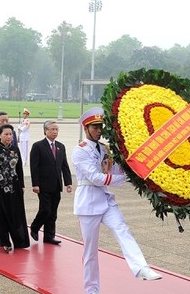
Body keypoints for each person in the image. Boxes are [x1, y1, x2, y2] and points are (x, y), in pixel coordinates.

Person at [72, 107, 162, 293]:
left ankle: (141, 268)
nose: (99, 130)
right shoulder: (79, 151)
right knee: (90, 252)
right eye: (95, 127)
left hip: (105, 200)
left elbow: (113, 170)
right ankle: (91, 290)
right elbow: (96, 177)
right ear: (86, 128)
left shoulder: (105, 148)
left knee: (122, 229)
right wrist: (124, 178)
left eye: (100, 127)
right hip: (88, 202)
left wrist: (132, 166)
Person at [0, 124, 30, 253]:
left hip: (14, 186)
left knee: (16, 213)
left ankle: (18, 240)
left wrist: (21, 185)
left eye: (11, 134)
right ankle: (4, 241)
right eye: (6, 134)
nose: (9, 137)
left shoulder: (15, 149)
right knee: (2, 214)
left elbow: (19, 169)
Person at [29, 120, 72, 245]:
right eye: (52, 129)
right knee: (45, 210)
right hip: (43, 185)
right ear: (45, 131)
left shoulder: (61, 146)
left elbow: (64, 166)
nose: (54, 132)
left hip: (56, 185)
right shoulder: (38, 146)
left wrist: (68, 182)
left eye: (56, 129)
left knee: (53, 213)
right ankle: (35, 227)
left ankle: (49, 236)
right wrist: (35, 184)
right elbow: (34, 167)